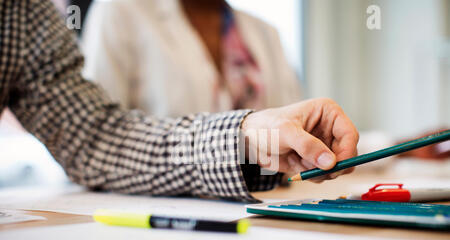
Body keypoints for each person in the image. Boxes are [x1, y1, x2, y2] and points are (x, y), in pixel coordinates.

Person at [0, 0, 359, 203]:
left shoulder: (265, 32)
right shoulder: (122, 12)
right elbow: (92, 154)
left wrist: (249, 139)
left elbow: (93, 137)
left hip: (263, 208)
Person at [81, 0, 302, 117]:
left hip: (265, 196)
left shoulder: (266, 33)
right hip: (156, 200)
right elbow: (97, 130)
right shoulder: (119, 15)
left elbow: (291, 123)